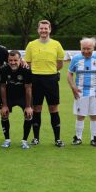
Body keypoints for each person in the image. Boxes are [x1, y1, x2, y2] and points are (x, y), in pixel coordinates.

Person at [24, 19, 66, 147]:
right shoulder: (31, 45)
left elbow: (59, 63)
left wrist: (51, 71)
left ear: (50, 29)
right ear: (38, 30)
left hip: (51, 79)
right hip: (36, 79)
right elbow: (28, 63)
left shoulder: (56, 44)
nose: (43, 30)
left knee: (53, 108)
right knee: (37, 108)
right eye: (41, 28)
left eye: (45, 28)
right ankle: (36, 138)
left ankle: (57, 139)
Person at [0, 51, 34, 149]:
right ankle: (7, 140)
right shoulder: (4, 69)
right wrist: (4, 105)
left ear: (20, 60)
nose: (13, 62)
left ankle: (24, 141)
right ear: (7, 60)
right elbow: (2, 87)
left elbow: (28, 88)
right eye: (10, 60)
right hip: (10, 96)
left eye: (15, 60)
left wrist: (28, 106)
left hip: (23, 97)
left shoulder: (26, 70)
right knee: (4, 113)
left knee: (29, 114)